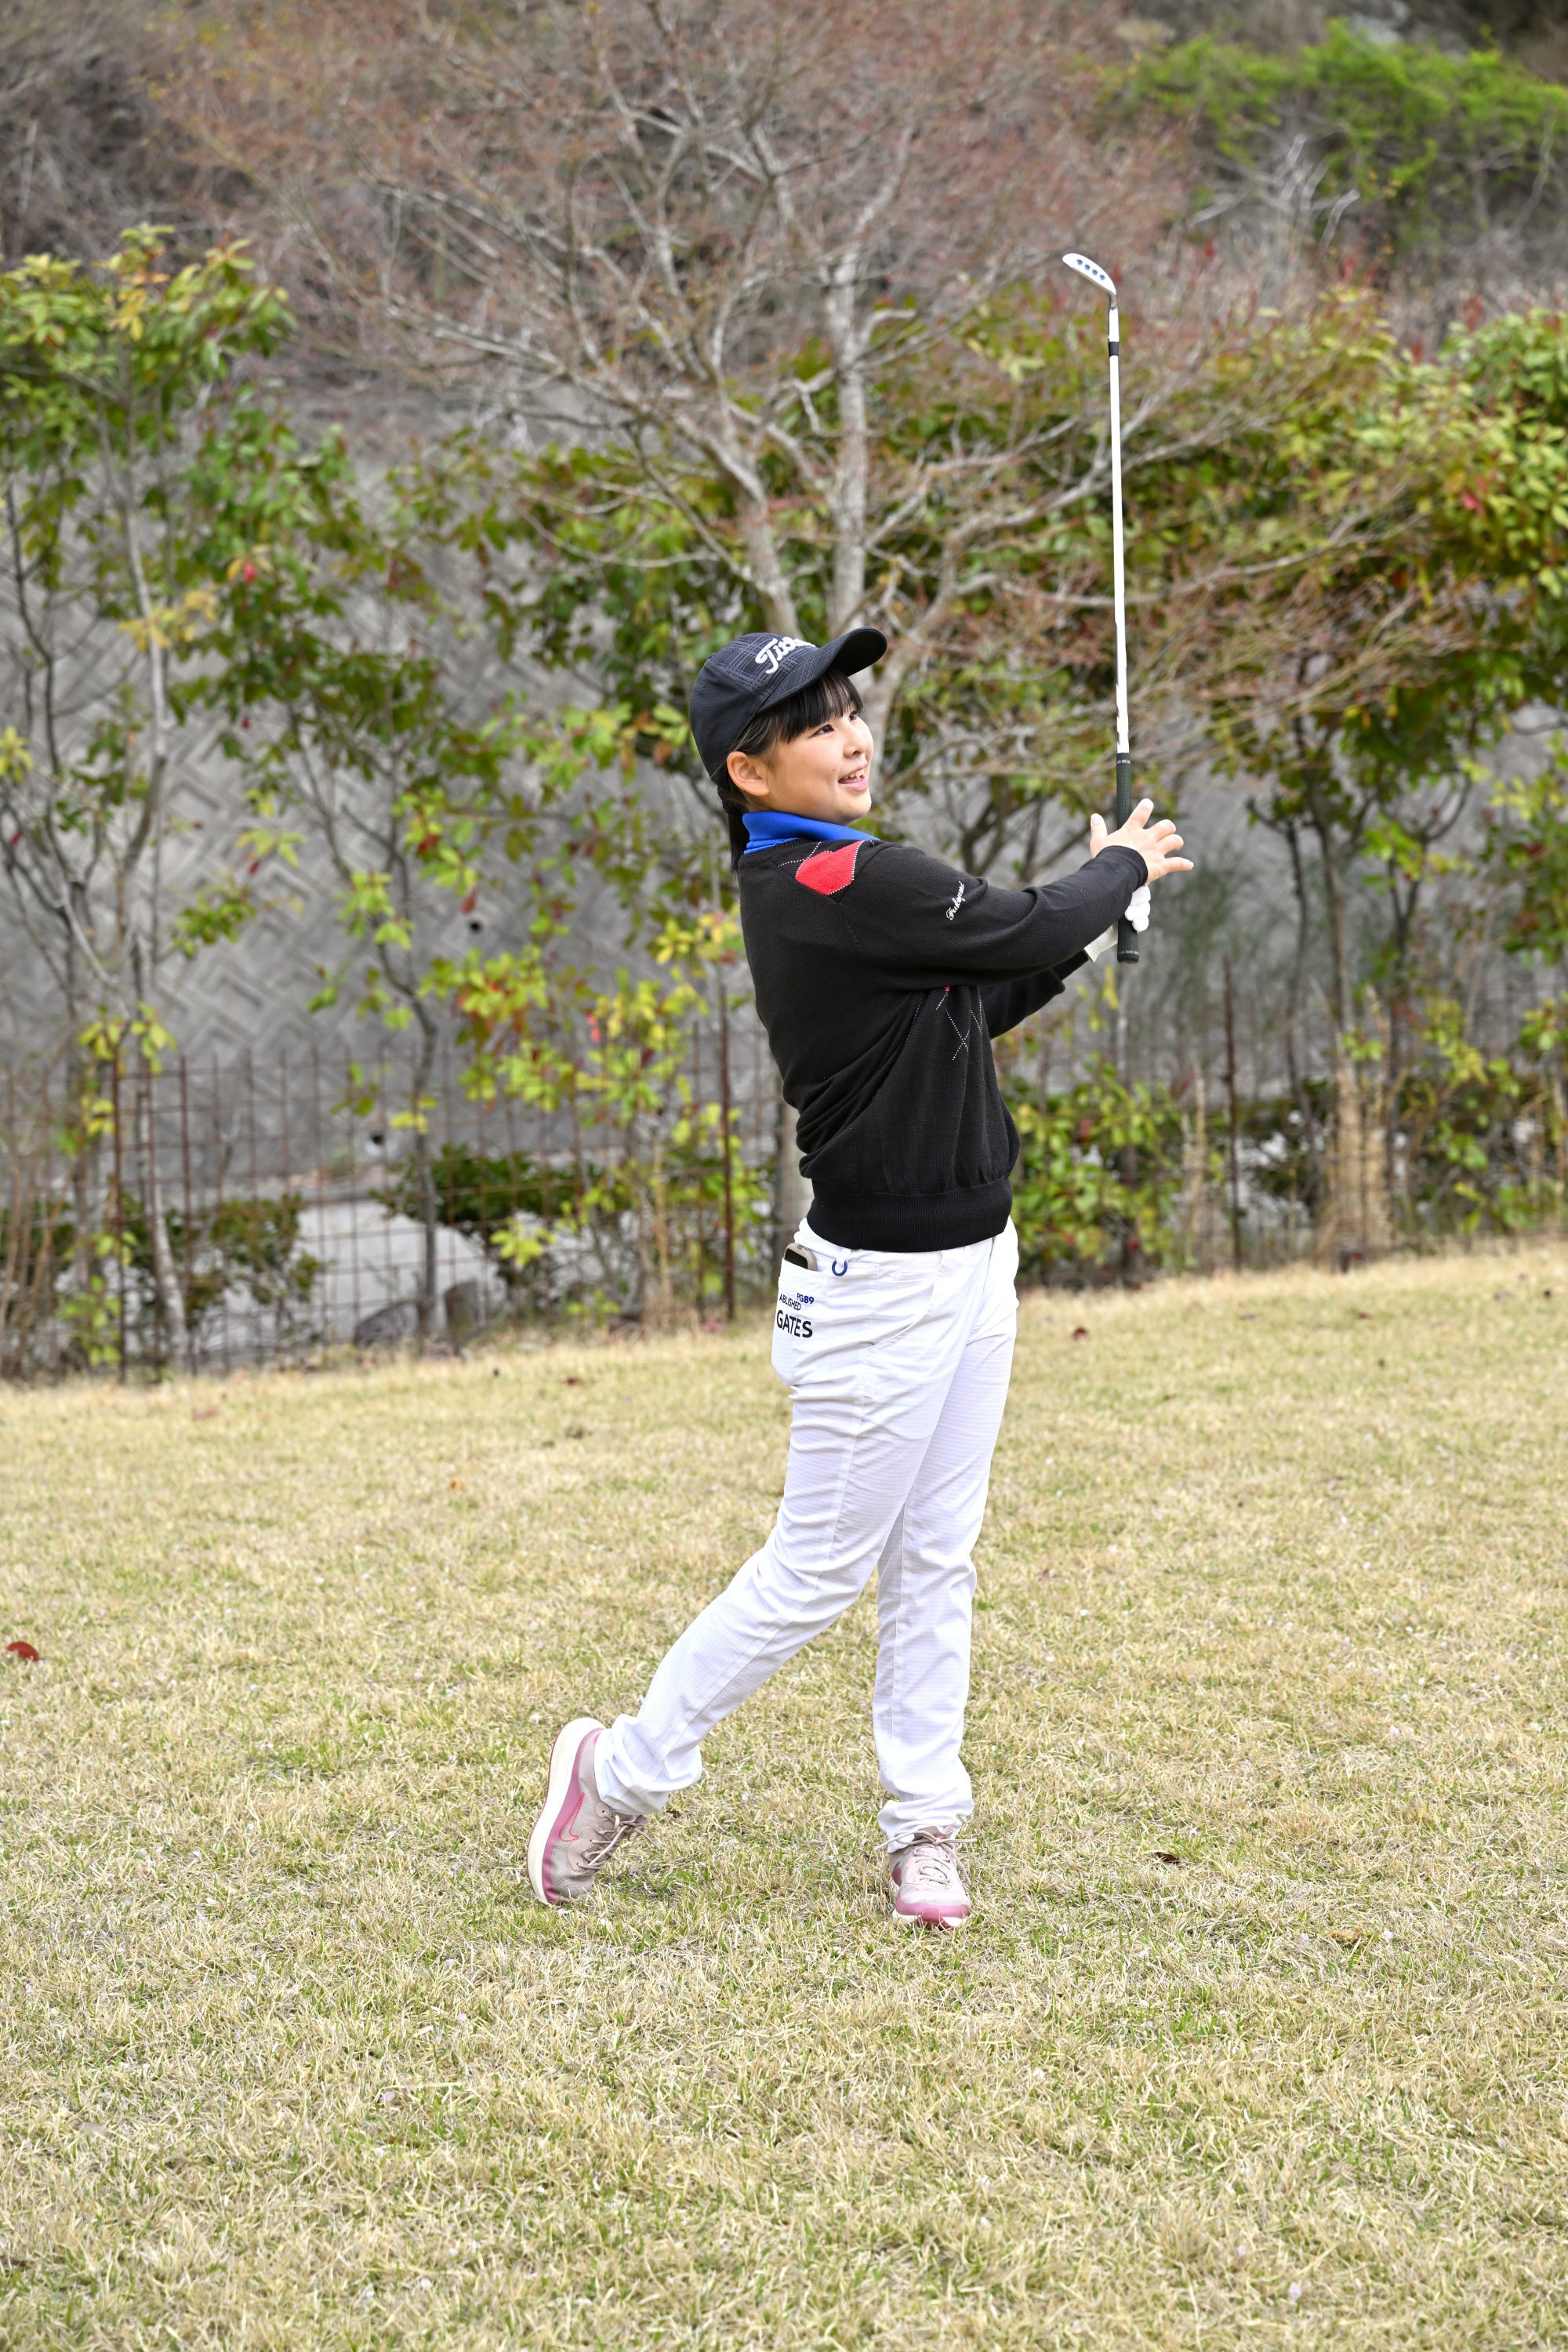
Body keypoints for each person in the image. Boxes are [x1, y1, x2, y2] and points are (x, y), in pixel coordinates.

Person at [528, 626, 1190, 1928]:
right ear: (749, 771)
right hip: (878, 1291)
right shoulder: (833, 878)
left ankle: (924, 1825)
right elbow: (1020, 919)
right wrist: (1119, 867)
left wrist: (1095, 925)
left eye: (850, 711)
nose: (852, 738)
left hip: (977, 1265)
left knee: (938, 1555)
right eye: (816, 724)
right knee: (817, 1573)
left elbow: (977, 996)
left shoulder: (842, 883)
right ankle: (618, 1772)